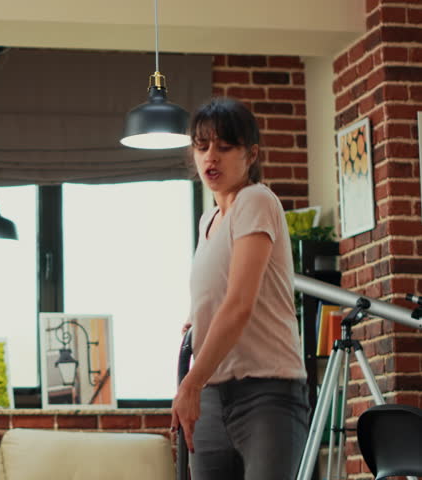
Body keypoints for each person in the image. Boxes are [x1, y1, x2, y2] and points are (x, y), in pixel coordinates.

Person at [170, 97, 309, 480]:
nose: (210, 157)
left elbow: (239, 305)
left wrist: (190, 384)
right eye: (202, 147)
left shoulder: (256, 199)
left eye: (224, 147)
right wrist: (198, 321)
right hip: (214, 394)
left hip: (267, 393)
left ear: (251, 154)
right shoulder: (208, 221)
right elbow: (219, 293)